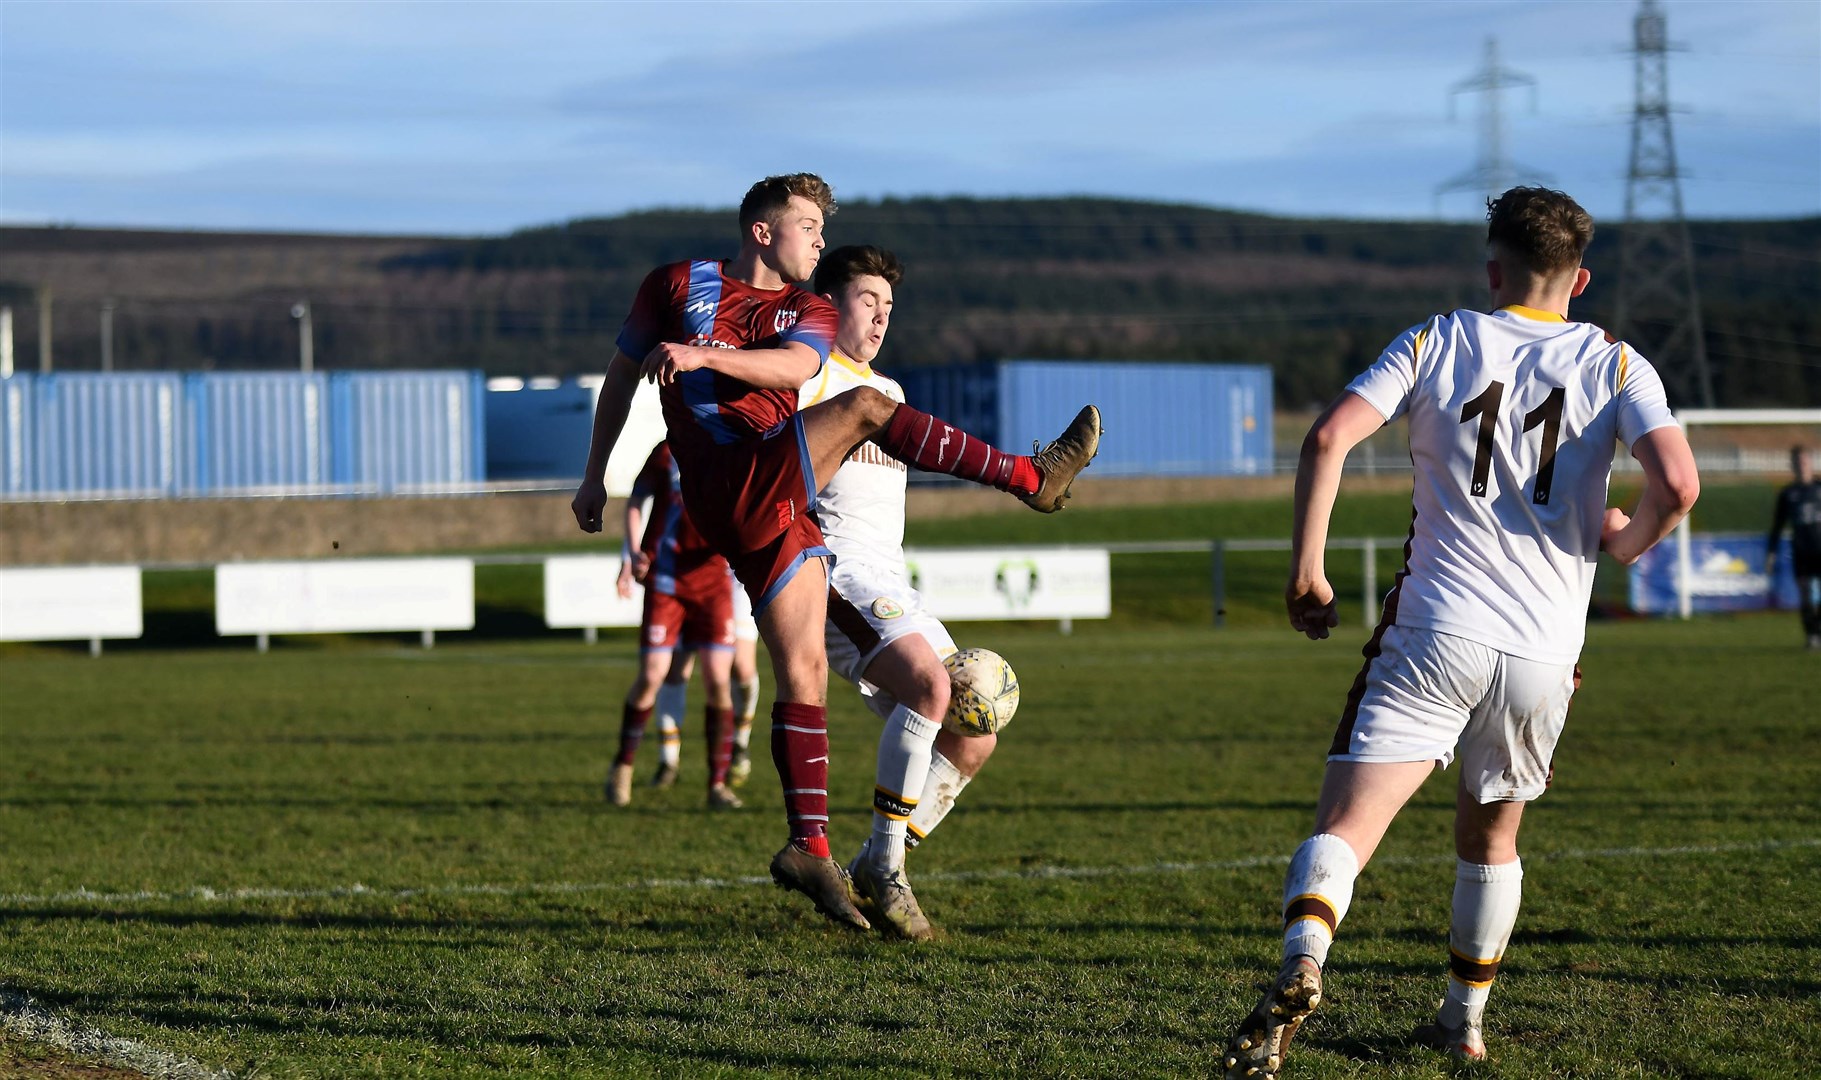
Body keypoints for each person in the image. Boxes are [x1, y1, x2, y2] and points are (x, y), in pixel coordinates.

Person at [1220, 187, 1700, 1079]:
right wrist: (1627, 542)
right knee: (1491, 841)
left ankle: (1304, 963)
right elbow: (1678, 484)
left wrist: (1307, 571)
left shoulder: (1439, 337)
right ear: (1580, 278)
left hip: (1435, 629)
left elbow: (1327, 437)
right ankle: (1462, 1022)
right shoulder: (1617, 363)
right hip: (1544, 653)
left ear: (1493, 270)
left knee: (1348, 827)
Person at [571, 173, 1101, 932]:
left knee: (850, 689)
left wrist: (702, 358)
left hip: (789, 521)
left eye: (889, 305)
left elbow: (786, 365)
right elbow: (630, 372)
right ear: (763, 230)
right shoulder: (686, 288)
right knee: (869, 415)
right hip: (748, 490)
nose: (820, 243)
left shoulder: (807, 317)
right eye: (811, 228)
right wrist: (595, 475)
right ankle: (1030, 477)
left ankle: (819, 849)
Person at [803, 245, 1002, 941]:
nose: (881, 316)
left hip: (889, 580)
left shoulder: (890, 392)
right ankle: (886, 874)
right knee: (928, 686)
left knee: (976, 730)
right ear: (827, 303)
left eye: (888, 305)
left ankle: (874, 857)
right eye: (866, 301)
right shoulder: (806, 375)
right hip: (833, 576)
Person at [607, 440, 742, 811]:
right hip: (665, 581)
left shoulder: (731, 449)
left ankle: (717, 783)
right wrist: (631, 552)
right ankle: (624, 764)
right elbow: (636, 500)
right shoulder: (667, 452)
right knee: (653, 675)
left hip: (713, 582)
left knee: (718, 679)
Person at [1765, 445, 1821, 649]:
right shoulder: (1788, 494)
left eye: (1804, 461)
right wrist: (1771, 552)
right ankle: (1812, 635)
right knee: (1806, 595)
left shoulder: (1819, 488)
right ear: (1793, 465)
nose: (1802, 465)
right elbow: (1777, 525)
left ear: (1811, 462)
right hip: (1801, 551)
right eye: (1798, 462)